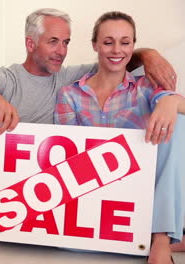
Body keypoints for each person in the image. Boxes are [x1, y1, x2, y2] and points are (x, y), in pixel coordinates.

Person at [0, 8, 177, 249]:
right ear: (30, 44)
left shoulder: (71, 77)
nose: (61, 51)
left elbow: (115, 57)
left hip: (43, 187)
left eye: (65, 42)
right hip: (2, 179)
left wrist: (148, 53)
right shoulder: (9, 78)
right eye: (53, 42)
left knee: (49, 228)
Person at [54, 11, 185, 264]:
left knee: (178, 121)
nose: (117, 50)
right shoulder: (70, 95)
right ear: (95, 45)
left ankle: (159, 240)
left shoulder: (145, 87)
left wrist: (169, 100)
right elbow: (68, 158)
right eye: (108, 42)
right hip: (94, 188)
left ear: (133, 46)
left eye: (125, 42)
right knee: (68, 243)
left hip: (145, 188)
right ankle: (170, 237)